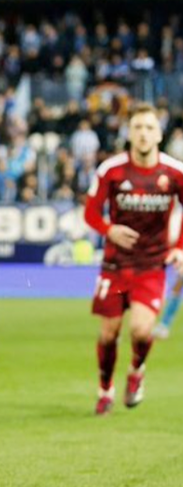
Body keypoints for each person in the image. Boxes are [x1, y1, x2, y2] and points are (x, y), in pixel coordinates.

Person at [83, 102, 183, 415]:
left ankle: (136, 371)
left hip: (151, 265)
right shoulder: (110, 170)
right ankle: (105, 390)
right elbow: (90, 212)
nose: (143, 133)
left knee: (141, 330)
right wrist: (109, 229)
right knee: (108, 333)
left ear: (159, 134)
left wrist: (180, 246)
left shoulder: (174, 172)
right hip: (115, 265)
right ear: (129, 133)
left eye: (149, 128)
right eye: (137, 127)